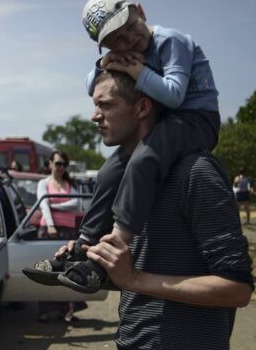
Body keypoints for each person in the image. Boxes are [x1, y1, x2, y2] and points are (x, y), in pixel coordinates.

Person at [32, 0, 222, 292]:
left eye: (131, 27)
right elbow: (92, 84)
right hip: (162, 123)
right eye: (116, 41)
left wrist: (136, 69)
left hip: (195, 119)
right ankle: (85, 244)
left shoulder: (171, 41)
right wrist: (105, 63)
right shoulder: (122, 51)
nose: (130, 40)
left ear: (141, 11)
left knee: (143, 159)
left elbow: (174, 94)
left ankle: (115, 245)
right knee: (109, 172)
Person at [60, 70, 253, 349]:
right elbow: (133, 272)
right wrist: (95, 261)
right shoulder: (126, 179)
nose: (94, 115)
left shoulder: (196, 174)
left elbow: (237, 289)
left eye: (106, 104)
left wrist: (135, 279)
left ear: (142, 107)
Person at [35, 150, 87, 322]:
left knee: (67, 271)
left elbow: (76, 202)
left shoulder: (69, 184)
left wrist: (54, 205)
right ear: (50, 164)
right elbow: (43, 205)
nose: (61, 167)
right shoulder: (43, 183)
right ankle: (44, 311)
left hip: (68, 231)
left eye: (64, 164)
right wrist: (50, 224)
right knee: (47, 271)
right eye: (58, 164)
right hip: (49, 230)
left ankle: (67, 312)